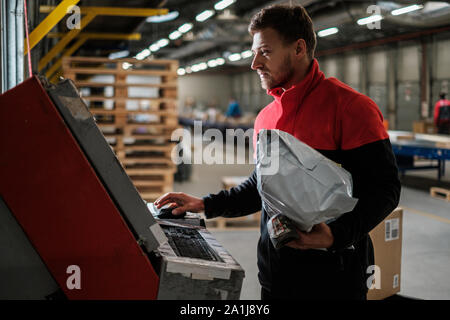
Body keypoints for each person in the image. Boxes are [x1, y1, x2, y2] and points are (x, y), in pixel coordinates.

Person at [155, 4, 400, 300]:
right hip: (276, 278)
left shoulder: (350, 109)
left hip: (335, 280)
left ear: (298, 49)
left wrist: (337, 235)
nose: (254, 63)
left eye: (266, 52)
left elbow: (385, 189)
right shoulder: (266, 118)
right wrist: (204, 204)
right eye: (254, 52)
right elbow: (262, 188)